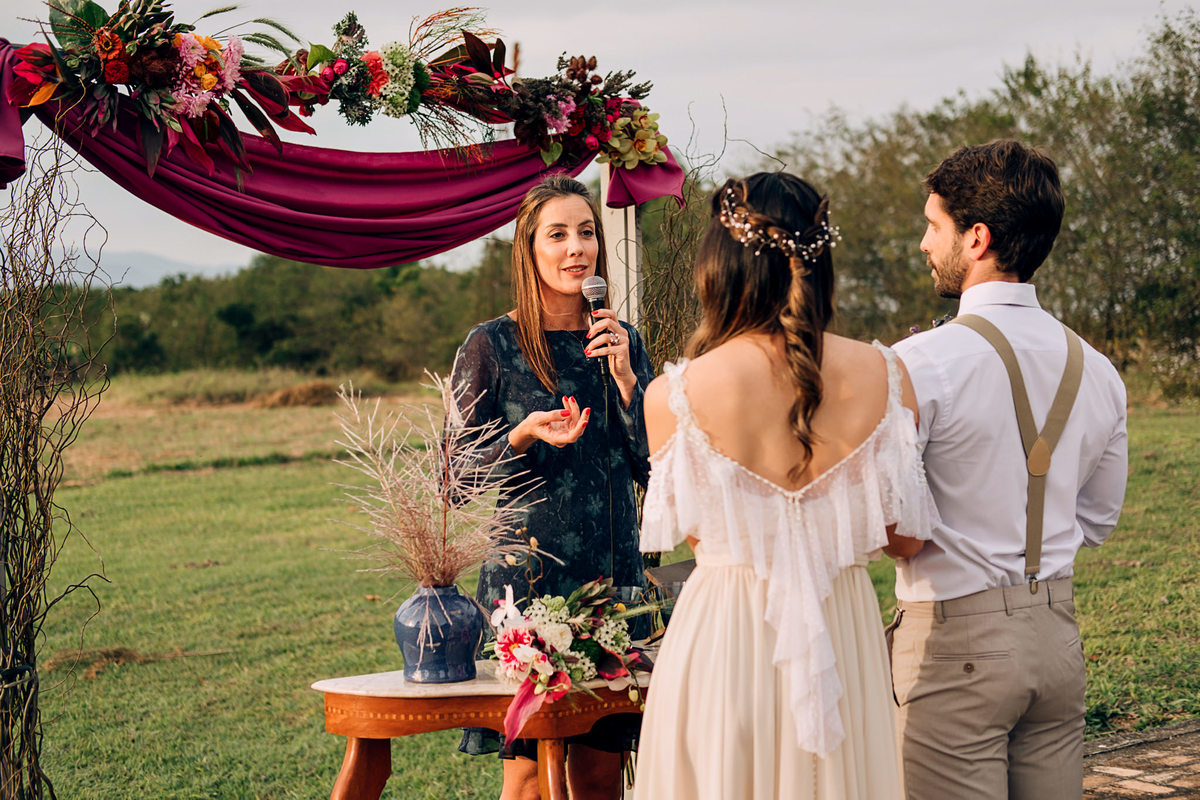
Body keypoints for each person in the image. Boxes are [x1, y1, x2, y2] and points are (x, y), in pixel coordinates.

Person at [636, 171, 936, 799]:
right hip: (841, 632)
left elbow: (698, 535)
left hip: (726, 635)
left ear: (719, 268)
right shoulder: (888, 374)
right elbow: (903, 540)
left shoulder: (673, 396)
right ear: (821, 260)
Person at [889, 139, 1129, 799]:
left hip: (953, 647)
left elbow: (896, 523)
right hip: (1056, 637)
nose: (922, 244)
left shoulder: (921, 363)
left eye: (933, 226)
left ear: (977, 238)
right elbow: (1099, 519)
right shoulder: (1099, 371)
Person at [450, 173, 654, 800]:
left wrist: (625, 383)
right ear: (529, 249)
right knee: (532, 775)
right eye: (558, 235)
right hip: (530, 580)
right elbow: (455, 479)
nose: (577, 249)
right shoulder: (492, 345)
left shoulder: (623, 341)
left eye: (587, 233)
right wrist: (522, 435)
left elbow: (654, 466)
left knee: (599, 775)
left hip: (613, 575)